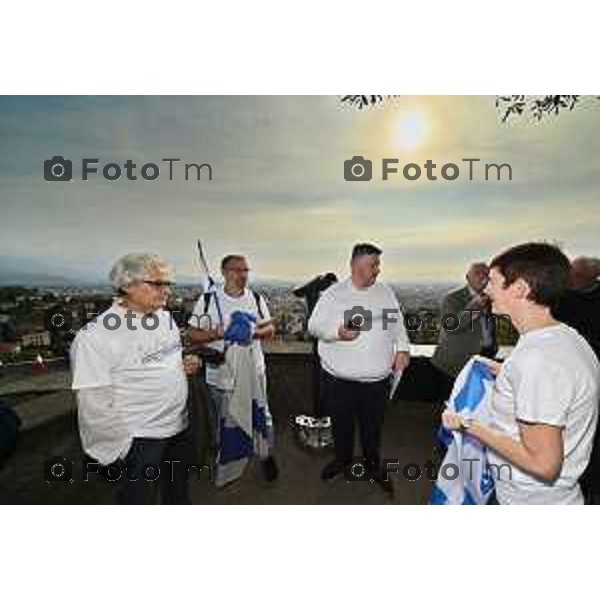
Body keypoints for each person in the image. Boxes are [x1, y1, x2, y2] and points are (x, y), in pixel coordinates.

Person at [443, 242, 600, 504]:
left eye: (493, 281)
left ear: (520, 289)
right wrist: (507, 373)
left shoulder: (536, 360)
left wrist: (467, 424)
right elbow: (558, 388)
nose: (487, 290)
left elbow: (543, 464)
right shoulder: (566, 339)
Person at [71, 253, 200, 504]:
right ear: (127, 285)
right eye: (156, 284)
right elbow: (93, 401)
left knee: (178, 495)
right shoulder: (96, 336)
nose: (166, 291)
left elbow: (161, 357)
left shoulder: (164, 318)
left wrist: (181, 365)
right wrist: (120, 449)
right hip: (139, 439)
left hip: (177, 428)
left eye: (168, 284)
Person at [308, 243, 410, 494]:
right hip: (339, 381)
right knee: (341, 426)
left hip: (377, 381)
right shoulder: (334, 294)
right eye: (371, 265)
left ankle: (373, 466)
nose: (377, 270)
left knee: (372, 428)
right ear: (354, 266)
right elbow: (314, 326)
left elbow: (395, 326)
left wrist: (403, 348)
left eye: (377, 265)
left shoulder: (384, 293)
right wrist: (337, 333)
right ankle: (342, 461)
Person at [187, 254, 278, 483]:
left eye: (245, 270)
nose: (243, 274)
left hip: (253, 370)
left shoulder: (255, 298)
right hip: (220, 373)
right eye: (237, 270)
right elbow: (192, 334)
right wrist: (216, 334)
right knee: (222, 418)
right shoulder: (208, 300)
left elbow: (270, 330)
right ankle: (226, 459)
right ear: (224, 272)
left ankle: (265, 454)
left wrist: (252, 333)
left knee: (262, 416)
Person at [553, 256, 600, 502]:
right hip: (564, 370)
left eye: (577, 276)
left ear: (592, 278)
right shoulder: (563, 297)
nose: (571, 279)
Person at [430, 262, 497, 400]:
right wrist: (474, 307)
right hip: (456, 362)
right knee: (452, 403)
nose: (482, 278)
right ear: (467, 277)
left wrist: (493, 346)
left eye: (485, 274)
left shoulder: (490, 299)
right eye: (477, 274)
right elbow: (451, 326)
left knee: (476, 402)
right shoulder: (452, 299)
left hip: (484, 356)